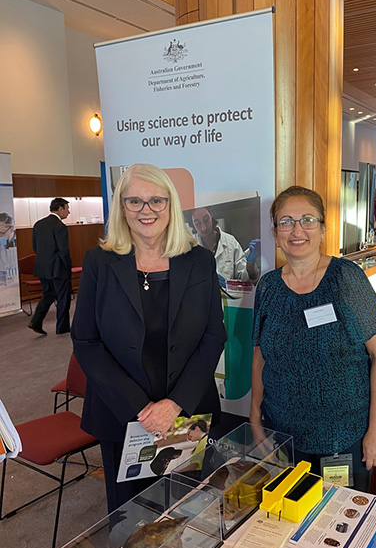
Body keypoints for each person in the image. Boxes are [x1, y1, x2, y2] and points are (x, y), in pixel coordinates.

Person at [71, 164, 226, 511]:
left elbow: (213, 335)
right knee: (131, 520)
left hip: (187, 410)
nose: (147, 210)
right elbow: (85, 341)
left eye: (157, 200)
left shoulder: (199, 261)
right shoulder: (99, 262)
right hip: (122, 411)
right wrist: (141, 410)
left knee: (189, 512)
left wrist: (173, 405)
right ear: (121, 207)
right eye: (135, 201)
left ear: (170, 205)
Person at [250, 186, 376, 492]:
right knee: (287, 519)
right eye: (286, 221)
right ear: (275, 233)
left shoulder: (346, 278)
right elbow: (260, 353)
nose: (297, 230)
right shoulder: (268, 287)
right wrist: (254, 414)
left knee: (337, 528)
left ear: (323, 229)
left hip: (341, 438)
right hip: (283, 437)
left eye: (307, 220)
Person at [29, 198, 72, 335]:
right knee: (63, 297)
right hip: (58, 268)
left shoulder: (38, 224)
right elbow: (63, 251)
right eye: (67, 208)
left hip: (42, 267)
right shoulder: (60, 226)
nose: (68, 212)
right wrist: (68, 267)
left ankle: (35, 321)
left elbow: (35, 247)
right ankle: (62, 327)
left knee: (48, 295)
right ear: (60, 209)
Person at [191, 206, 260, 286]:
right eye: (197, 223)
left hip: (227, 298)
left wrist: (250, 264)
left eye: (206, 219)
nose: (204, 228)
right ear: (192, 224)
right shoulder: (190, 247)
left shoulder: (230, 242)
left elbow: (245, 281)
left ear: (211, 215)